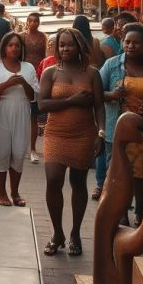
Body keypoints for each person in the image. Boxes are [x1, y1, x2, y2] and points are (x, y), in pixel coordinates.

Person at [38, 28, 104, 257]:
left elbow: (99, 106)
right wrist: (72, 100)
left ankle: (75, 233)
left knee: (78, 182)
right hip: (56, 133)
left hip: (84, 133)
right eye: (61, 45)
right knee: (53, 180)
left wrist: (101, 133)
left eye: (69, 45)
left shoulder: (92, 73)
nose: (65, 49)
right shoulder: (50, 73)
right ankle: (57, 233)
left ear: (79, 47)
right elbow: (42, 105)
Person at [98, 24, 143, 226]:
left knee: (141, 176)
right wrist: (112, 95)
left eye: (136, 42)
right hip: (117, 131)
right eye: (127, 41)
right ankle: (121, 212)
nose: (130, 46)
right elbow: (98, 92)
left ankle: (140, 212)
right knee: (118, 174)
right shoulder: (112, 65)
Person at [0, 32, 40, 207]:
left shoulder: (28, 68)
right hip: (1, 113)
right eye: (10, 45)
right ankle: (2, 194)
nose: (14, 48)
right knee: (1, 153)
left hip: (21, 113)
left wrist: (23, 83)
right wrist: (8, 83)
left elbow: (33, 96)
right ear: (3, 47)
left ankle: (15, 192)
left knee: (18, 153)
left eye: (17, 45)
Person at [22, 12, 48, 164]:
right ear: (27, 22)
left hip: (38, 76)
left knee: (33, 113)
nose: (33, 23)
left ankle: (32, 148)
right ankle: (20, 147)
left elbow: (46, 55)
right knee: (20, 112)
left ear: (39, 22)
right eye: (30, 20)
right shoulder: (21, 36)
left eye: (35, 21)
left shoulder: (42, 37)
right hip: (23, 75)